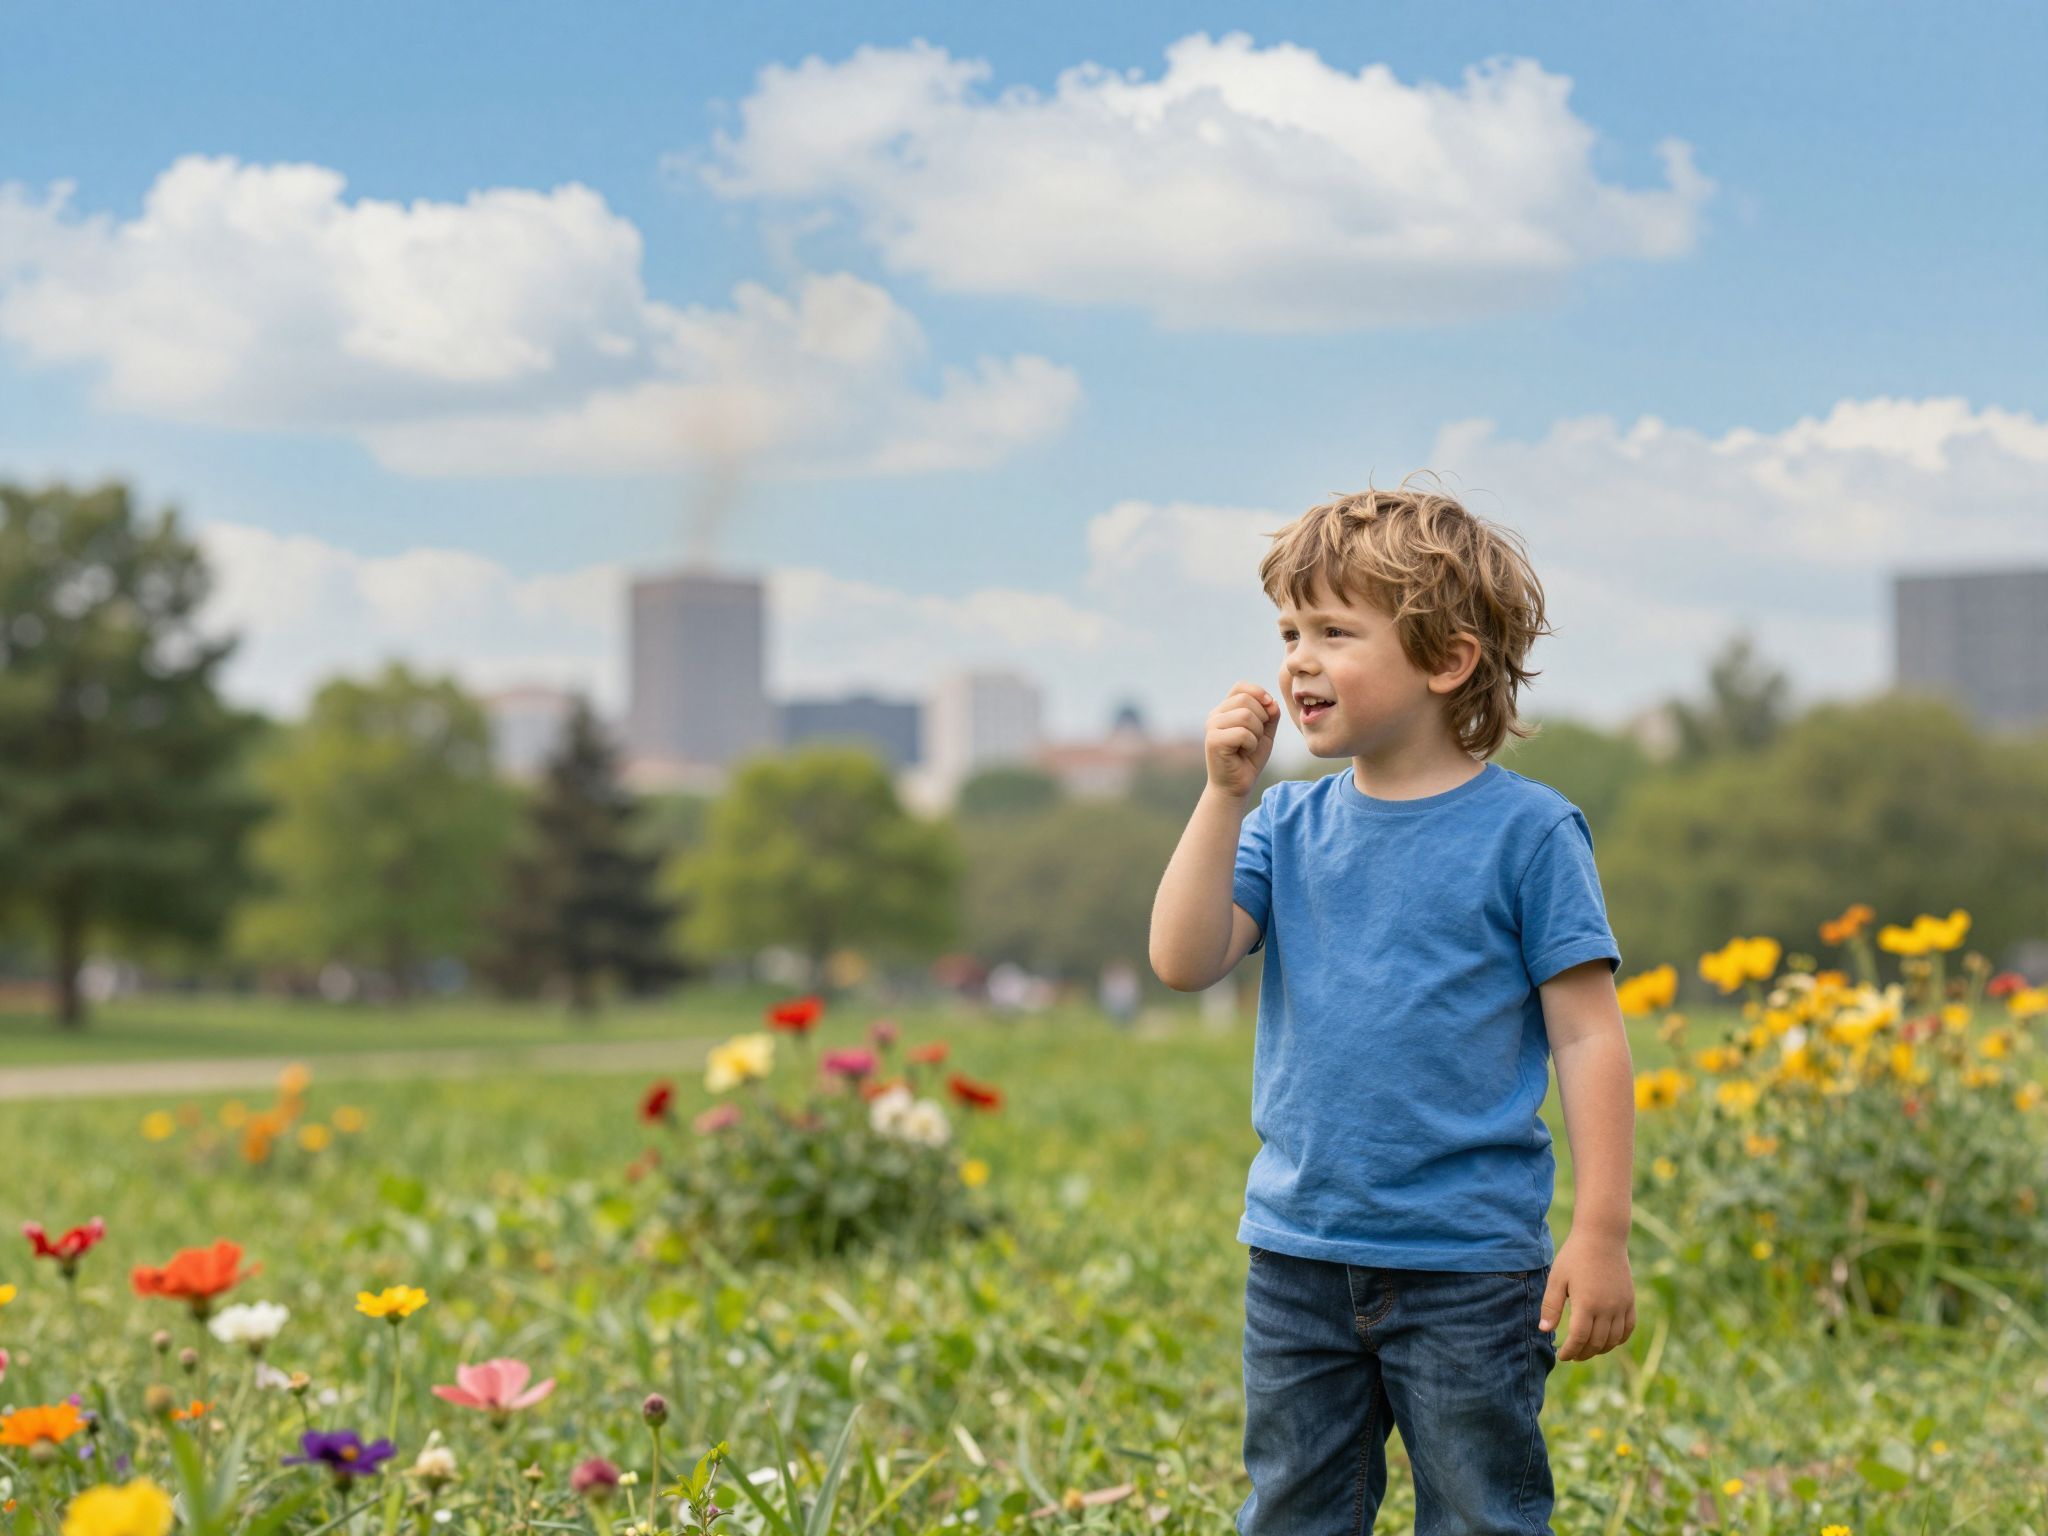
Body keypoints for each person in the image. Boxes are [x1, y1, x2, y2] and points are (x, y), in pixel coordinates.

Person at [1147, 480, 1637, 1535]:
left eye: (1333, 630)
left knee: (1479, 1512)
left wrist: (1597, 1232)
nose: (1297, 659)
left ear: (1445, 660)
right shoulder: (1281, 825)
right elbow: (1183, 961)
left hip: (1468, 1265)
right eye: (1288, 629)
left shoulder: (1529, 835)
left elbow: (1588, 1034)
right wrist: (1221, 798)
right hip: (1297, 1254)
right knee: (1291, 1511)